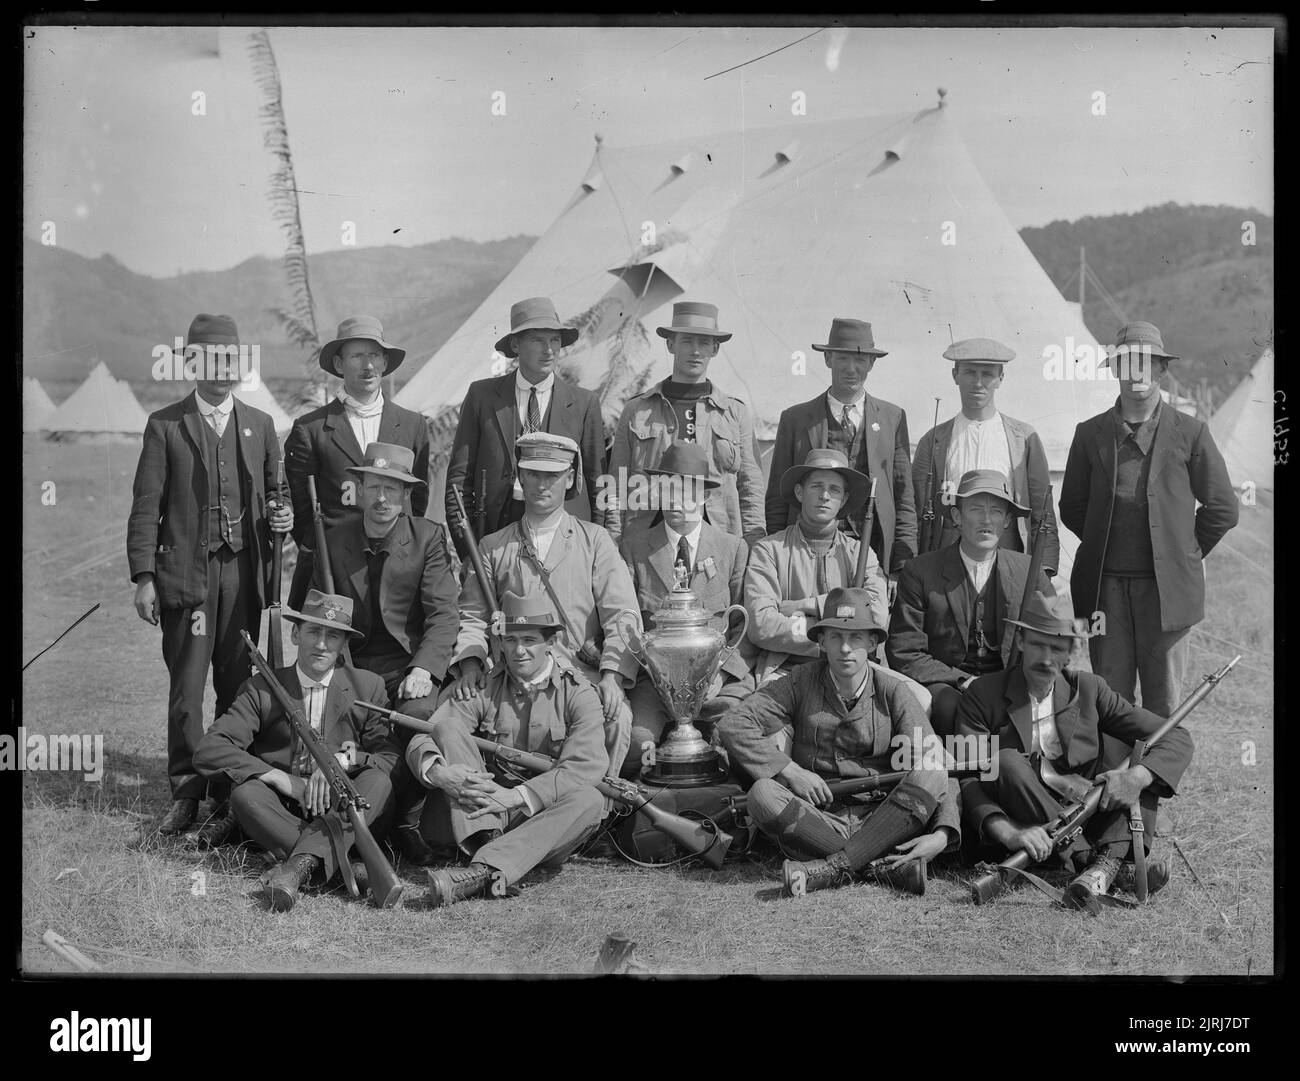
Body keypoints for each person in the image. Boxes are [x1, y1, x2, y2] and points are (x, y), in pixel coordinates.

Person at [128, 314, 293, 836]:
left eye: (230, 360)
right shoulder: (165, 425)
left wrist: (282, 514)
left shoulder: (260, 424)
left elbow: (278, 494)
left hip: (244, 575)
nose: (222, 371)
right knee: (187, 688)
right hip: (187, 577)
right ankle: (186, 790)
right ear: (191, 363)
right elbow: (145, 507)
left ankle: (227, 790)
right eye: (210, 360)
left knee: (238, 685)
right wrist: (143, 576)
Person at [954, 590, 1194, 910]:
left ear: (1072, 651)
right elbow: (966, 776)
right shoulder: (981, 693)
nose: (1046, 659)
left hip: (1086, 808)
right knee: (1006, 762)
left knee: (1137, 752)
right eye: (1038, 645)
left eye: (1057, 648)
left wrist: (1136, 777)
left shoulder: (1091, 688)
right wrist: (1010, 833)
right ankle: (1107, 866)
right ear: (1021, 642)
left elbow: (1174, 736)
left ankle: (1100, 866)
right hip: (1026, 823)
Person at [717, 587, 960, 897]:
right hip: (816, 820)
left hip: (883, 818)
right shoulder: (799, 682)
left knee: (931, 773)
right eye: (836, 637)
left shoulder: (893, 691)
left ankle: (831, 869)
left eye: (856, 638)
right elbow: (734, 724)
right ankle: (879, 868)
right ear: (821, 641)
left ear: (872, 643)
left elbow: (936, 763)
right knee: (763, 793)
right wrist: (790, 771)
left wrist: (941, 834)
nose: (846, 648)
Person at [1061, 321, 1238, 715]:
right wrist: (1104, 538)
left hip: (1168, 593)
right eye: (1128, 363)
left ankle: (1156, 776)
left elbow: (1224, 507)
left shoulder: (1190, 433)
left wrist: (1183, 552)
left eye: (1147, 363)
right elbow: (1072, 506)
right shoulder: (1089, 434)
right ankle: (1113, 776)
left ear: (1161, 370)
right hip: (1103, 591)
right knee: (1109, 695)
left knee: (1165, 701)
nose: (1138, 372)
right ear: (1116, 370)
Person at [193, 590, 401, 912]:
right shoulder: (261, 688)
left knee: (379, 783)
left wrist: (342, 763)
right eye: (313, 632)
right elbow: (210, 749)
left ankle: (297, 868)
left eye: (332, 636)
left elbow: (389, 758)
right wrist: (279, 778)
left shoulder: (368, 686)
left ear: (343, 643)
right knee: (246, 795)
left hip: (344, 807)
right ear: (294, 633)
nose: (321, 644)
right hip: (287, 808)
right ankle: (341, 866)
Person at [449, 432, 640, 773]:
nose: (541, 485)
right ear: (520, 477)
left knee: (616, 718)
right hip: (511, 678)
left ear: (570, 478)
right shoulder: (493, 547)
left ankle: (598, 815)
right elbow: (473, 617)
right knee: (449, 717)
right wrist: (470, 665)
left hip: (579, 679)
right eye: (534, 474)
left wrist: (612, 675)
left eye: (552, 475)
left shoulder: (595, 542)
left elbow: (623, 616)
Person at [409, 592, 609, 906]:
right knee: (447, 728)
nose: (519, 651)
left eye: (529, 640)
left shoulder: (579, 693)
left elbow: (585, 766)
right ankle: (490, 854)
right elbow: (422, 737)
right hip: (482, 812)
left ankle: (482, 868)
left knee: (591, 799)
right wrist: (440, 773)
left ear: (550, 642)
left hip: (541, 817)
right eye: (510, 640)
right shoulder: (481, 686)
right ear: (500, 643)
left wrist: (516, 797)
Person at [311, 442, 460, 865]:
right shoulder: (332, 538)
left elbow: (444, 615)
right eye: (374, 487)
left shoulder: (427, 537)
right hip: (351, 665)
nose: (381, 499)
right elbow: (314, 609)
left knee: (418, 721)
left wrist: (426, 669)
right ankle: (336, 825)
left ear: (406, 495)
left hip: (405, 666)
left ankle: (408, 822)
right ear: (358, 489)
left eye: (392, 490)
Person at [617, 441, 753, 777]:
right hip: (654, 684)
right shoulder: (633, 548)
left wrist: (721, 673)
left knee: (737, 742)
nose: (677, 500)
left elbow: (742, 628)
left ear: (706, 496)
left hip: (717, 685)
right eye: (668, 488)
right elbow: (626, 621)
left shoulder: (732, 548)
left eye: (688, 490)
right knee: (638, 747)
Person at [887, 470, 1054, 737]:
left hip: (1012, 683)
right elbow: (904, 650)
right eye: (976, 509)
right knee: (948, 708)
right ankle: (957, 776)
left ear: (1008, 520)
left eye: (997, 511)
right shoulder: (921, 571)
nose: (986, 520)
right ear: (956, 517)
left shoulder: (1030, 572)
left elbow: (1053, 641)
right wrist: (963, 680)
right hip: (948, 685)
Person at [444, 297, 609, 559]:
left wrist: (597, 552)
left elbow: (600, 484)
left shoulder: (583, 403)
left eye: (555, 340)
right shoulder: (482, 396)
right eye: (537, 340)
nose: (549, 350)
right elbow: (457, 483)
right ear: (515, 344)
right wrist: (471, 554)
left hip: (564, 543)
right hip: (494, 536)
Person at [284, 315, 430, 609]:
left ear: (386, 362)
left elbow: (418, 498)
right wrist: (329, 550)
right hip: (334, 569)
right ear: (339, 364)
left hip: (397, 563)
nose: (368, 365)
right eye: (357, 356)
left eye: (375, 355)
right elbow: (301, 509)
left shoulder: (413, 425)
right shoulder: (311, 428)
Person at [765, 318, 917, 580]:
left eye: (860, 360)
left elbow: (904, 498)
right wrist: (779, 557)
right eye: (843, 358)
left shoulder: (893, 418)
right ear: (827, 359)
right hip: (805, 552)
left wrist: (899, 568)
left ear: (871, 363)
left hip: (875, 554)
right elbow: (778, 497)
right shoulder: (796, 419)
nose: (851, 368)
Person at [607, 301, 765, 545]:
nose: (695, 351)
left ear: (715, 349)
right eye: (687, 341)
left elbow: (750, 488)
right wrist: (613, 541)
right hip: (646, 542)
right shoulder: (637, 410)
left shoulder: (734, 413)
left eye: (703, 342)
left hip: (720, 541)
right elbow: (616, 484)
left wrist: (754, 546)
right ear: (671, 345)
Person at [745, 448, 891, 688]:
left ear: (843, 499)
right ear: (800, 492)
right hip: (786, 670)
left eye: (834, 489)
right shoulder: (768, 550)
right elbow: (762, 625)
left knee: (920, 701)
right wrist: (840, 631)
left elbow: (876, 617)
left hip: (854, 671)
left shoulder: (860, 553)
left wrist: (808, 606)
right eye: (816, 487)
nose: (825, 495)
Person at [912, 338, 1058, 570]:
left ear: (1001, 378)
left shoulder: (1024, 438)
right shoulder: (934, 440)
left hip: (1008, 553)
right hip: (949, 555)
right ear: (955, 375)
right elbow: (917, 509)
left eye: (987, 374)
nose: (978, 383)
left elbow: (1043, 509)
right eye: (970, 372)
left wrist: (1045, 567)